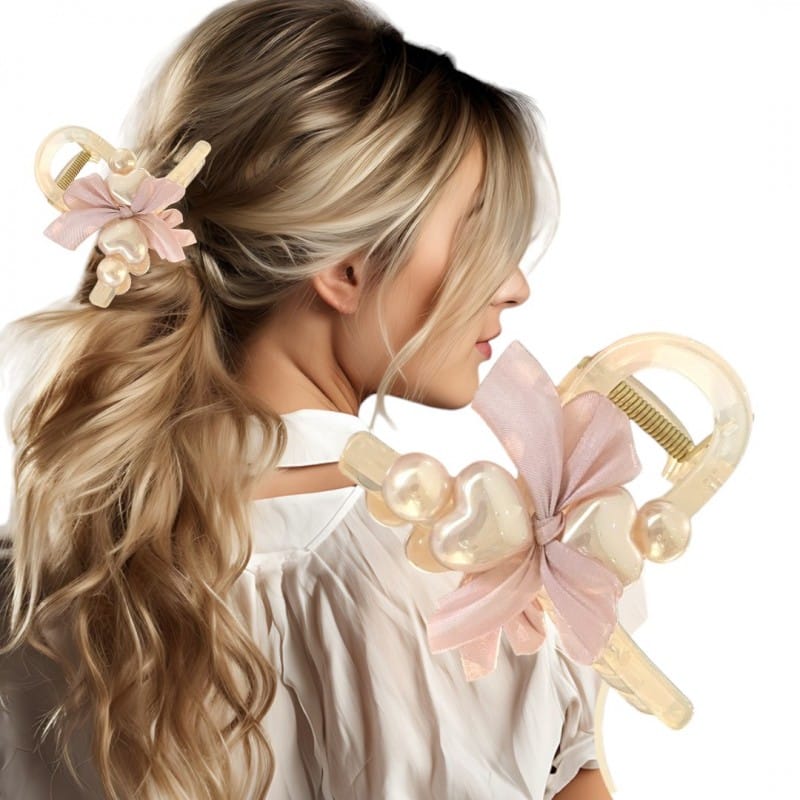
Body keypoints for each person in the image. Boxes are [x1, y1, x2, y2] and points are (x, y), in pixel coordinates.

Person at [0, 0, 644, 796]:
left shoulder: (44, 566)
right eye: (478, 235)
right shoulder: (437, 586)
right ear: (346, 270)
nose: (514, 286)